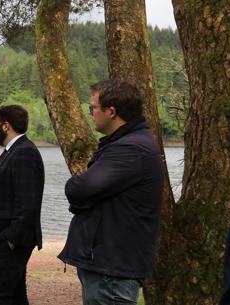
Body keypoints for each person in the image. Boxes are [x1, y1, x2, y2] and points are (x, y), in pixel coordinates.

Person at [58, 80, 162, 305]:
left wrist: (82, 198)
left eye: (93, 107)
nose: (91, 113)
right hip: (109, 266)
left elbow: (78, 189)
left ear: (111, 111)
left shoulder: (131, 148)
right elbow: (86, 193)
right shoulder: (125, 143)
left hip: (113, 269)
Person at [0, 104, 45, 305]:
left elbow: (28, 203)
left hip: (13, 242)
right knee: (15, 296)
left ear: (6, 126)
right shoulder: (15, 150)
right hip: (7, 240)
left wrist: (10, 239)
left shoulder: (24, 152)